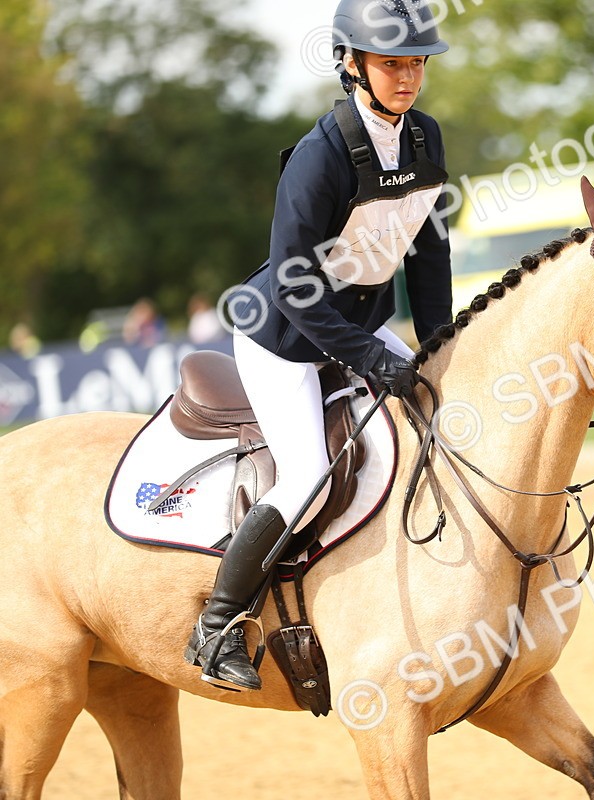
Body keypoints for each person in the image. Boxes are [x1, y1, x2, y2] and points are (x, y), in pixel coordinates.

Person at [185, 0, 453, 691]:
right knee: (307, 474)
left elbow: (428, 255)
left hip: (361, 322)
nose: (408, 77)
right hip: (284, 337)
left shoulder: (424, 137)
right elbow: (295, 290)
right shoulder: (319, 157)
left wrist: (439, 347)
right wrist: (371, 358)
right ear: (352, 64)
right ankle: (217, 624)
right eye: (392, 63)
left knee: (444, 413)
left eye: (417, 63)